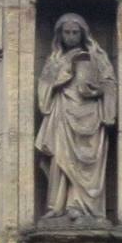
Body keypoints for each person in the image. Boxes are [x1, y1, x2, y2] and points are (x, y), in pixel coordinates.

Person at [35, 13, 117, 220]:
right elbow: (43, 91)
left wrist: (98, 91)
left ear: (83, 34)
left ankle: (81, 207)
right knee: (59, 160)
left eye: (75, 32)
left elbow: (110, 85)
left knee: (88, 163)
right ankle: (57, 206)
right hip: (62, 114)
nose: (71, 36)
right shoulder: (54, 60)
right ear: (60, 34)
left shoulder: (98, 57)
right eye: (67, 32)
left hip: (91, 117)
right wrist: (63, 77)